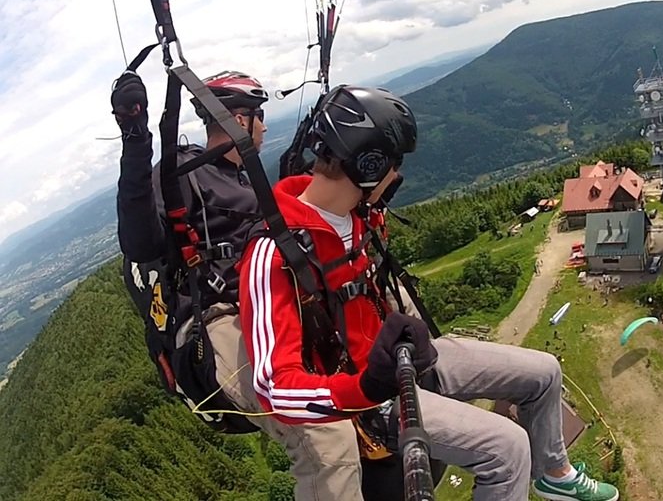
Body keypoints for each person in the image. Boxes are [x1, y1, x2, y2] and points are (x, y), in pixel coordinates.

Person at [238, 85, 620, 501]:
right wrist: (365, 388)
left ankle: (554, 473)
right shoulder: (274, 254)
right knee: (507, 448)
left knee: (545, 372)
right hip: (371, 398)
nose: (397, 178)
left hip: (408, 361)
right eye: (395, 164)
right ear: (369, 165)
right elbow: (274, 389)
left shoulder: (356, 216)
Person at [112, 69, 367, 498]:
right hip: (218, 321)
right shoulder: (182, 173)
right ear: (237, 119)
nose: (264, 126)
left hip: (267, 305)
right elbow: (140, 242)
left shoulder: (244, 177)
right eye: (258, 116)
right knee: (323, 433)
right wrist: (135, 139)